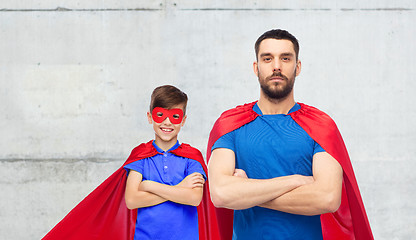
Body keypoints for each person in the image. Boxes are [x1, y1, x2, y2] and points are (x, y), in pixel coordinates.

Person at [206, 29, 373, 240]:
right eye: (268, 59)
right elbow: (220, 194)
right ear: (256, 68)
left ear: (298, 66)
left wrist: (246, 193)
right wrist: (295, 181)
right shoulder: (230, 125)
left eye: (285, 58)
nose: (276, 66)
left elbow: (327, 198)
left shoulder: (321, 126)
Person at [43, 85, 219, 240]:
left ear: (183, 121)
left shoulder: (192, 156)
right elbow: (132, 199)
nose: (167, 122)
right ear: (150, 117)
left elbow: (194, 198)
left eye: (174, 116)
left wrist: (150, 185)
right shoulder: (141, 155)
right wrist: (179, 188)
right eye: (160, 115)